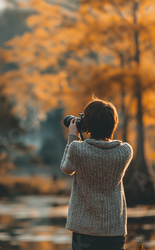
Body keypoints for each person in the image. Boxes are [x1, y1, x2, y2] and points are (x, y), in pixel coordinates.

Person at [60, 97, 133, 250]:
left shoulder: (77, 148)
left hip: (84, 230)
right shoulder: (125, 151)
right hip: (114, 230)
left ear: (87, 125)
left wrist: (73, 136)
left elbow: (67, 168)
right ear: (113, 124)